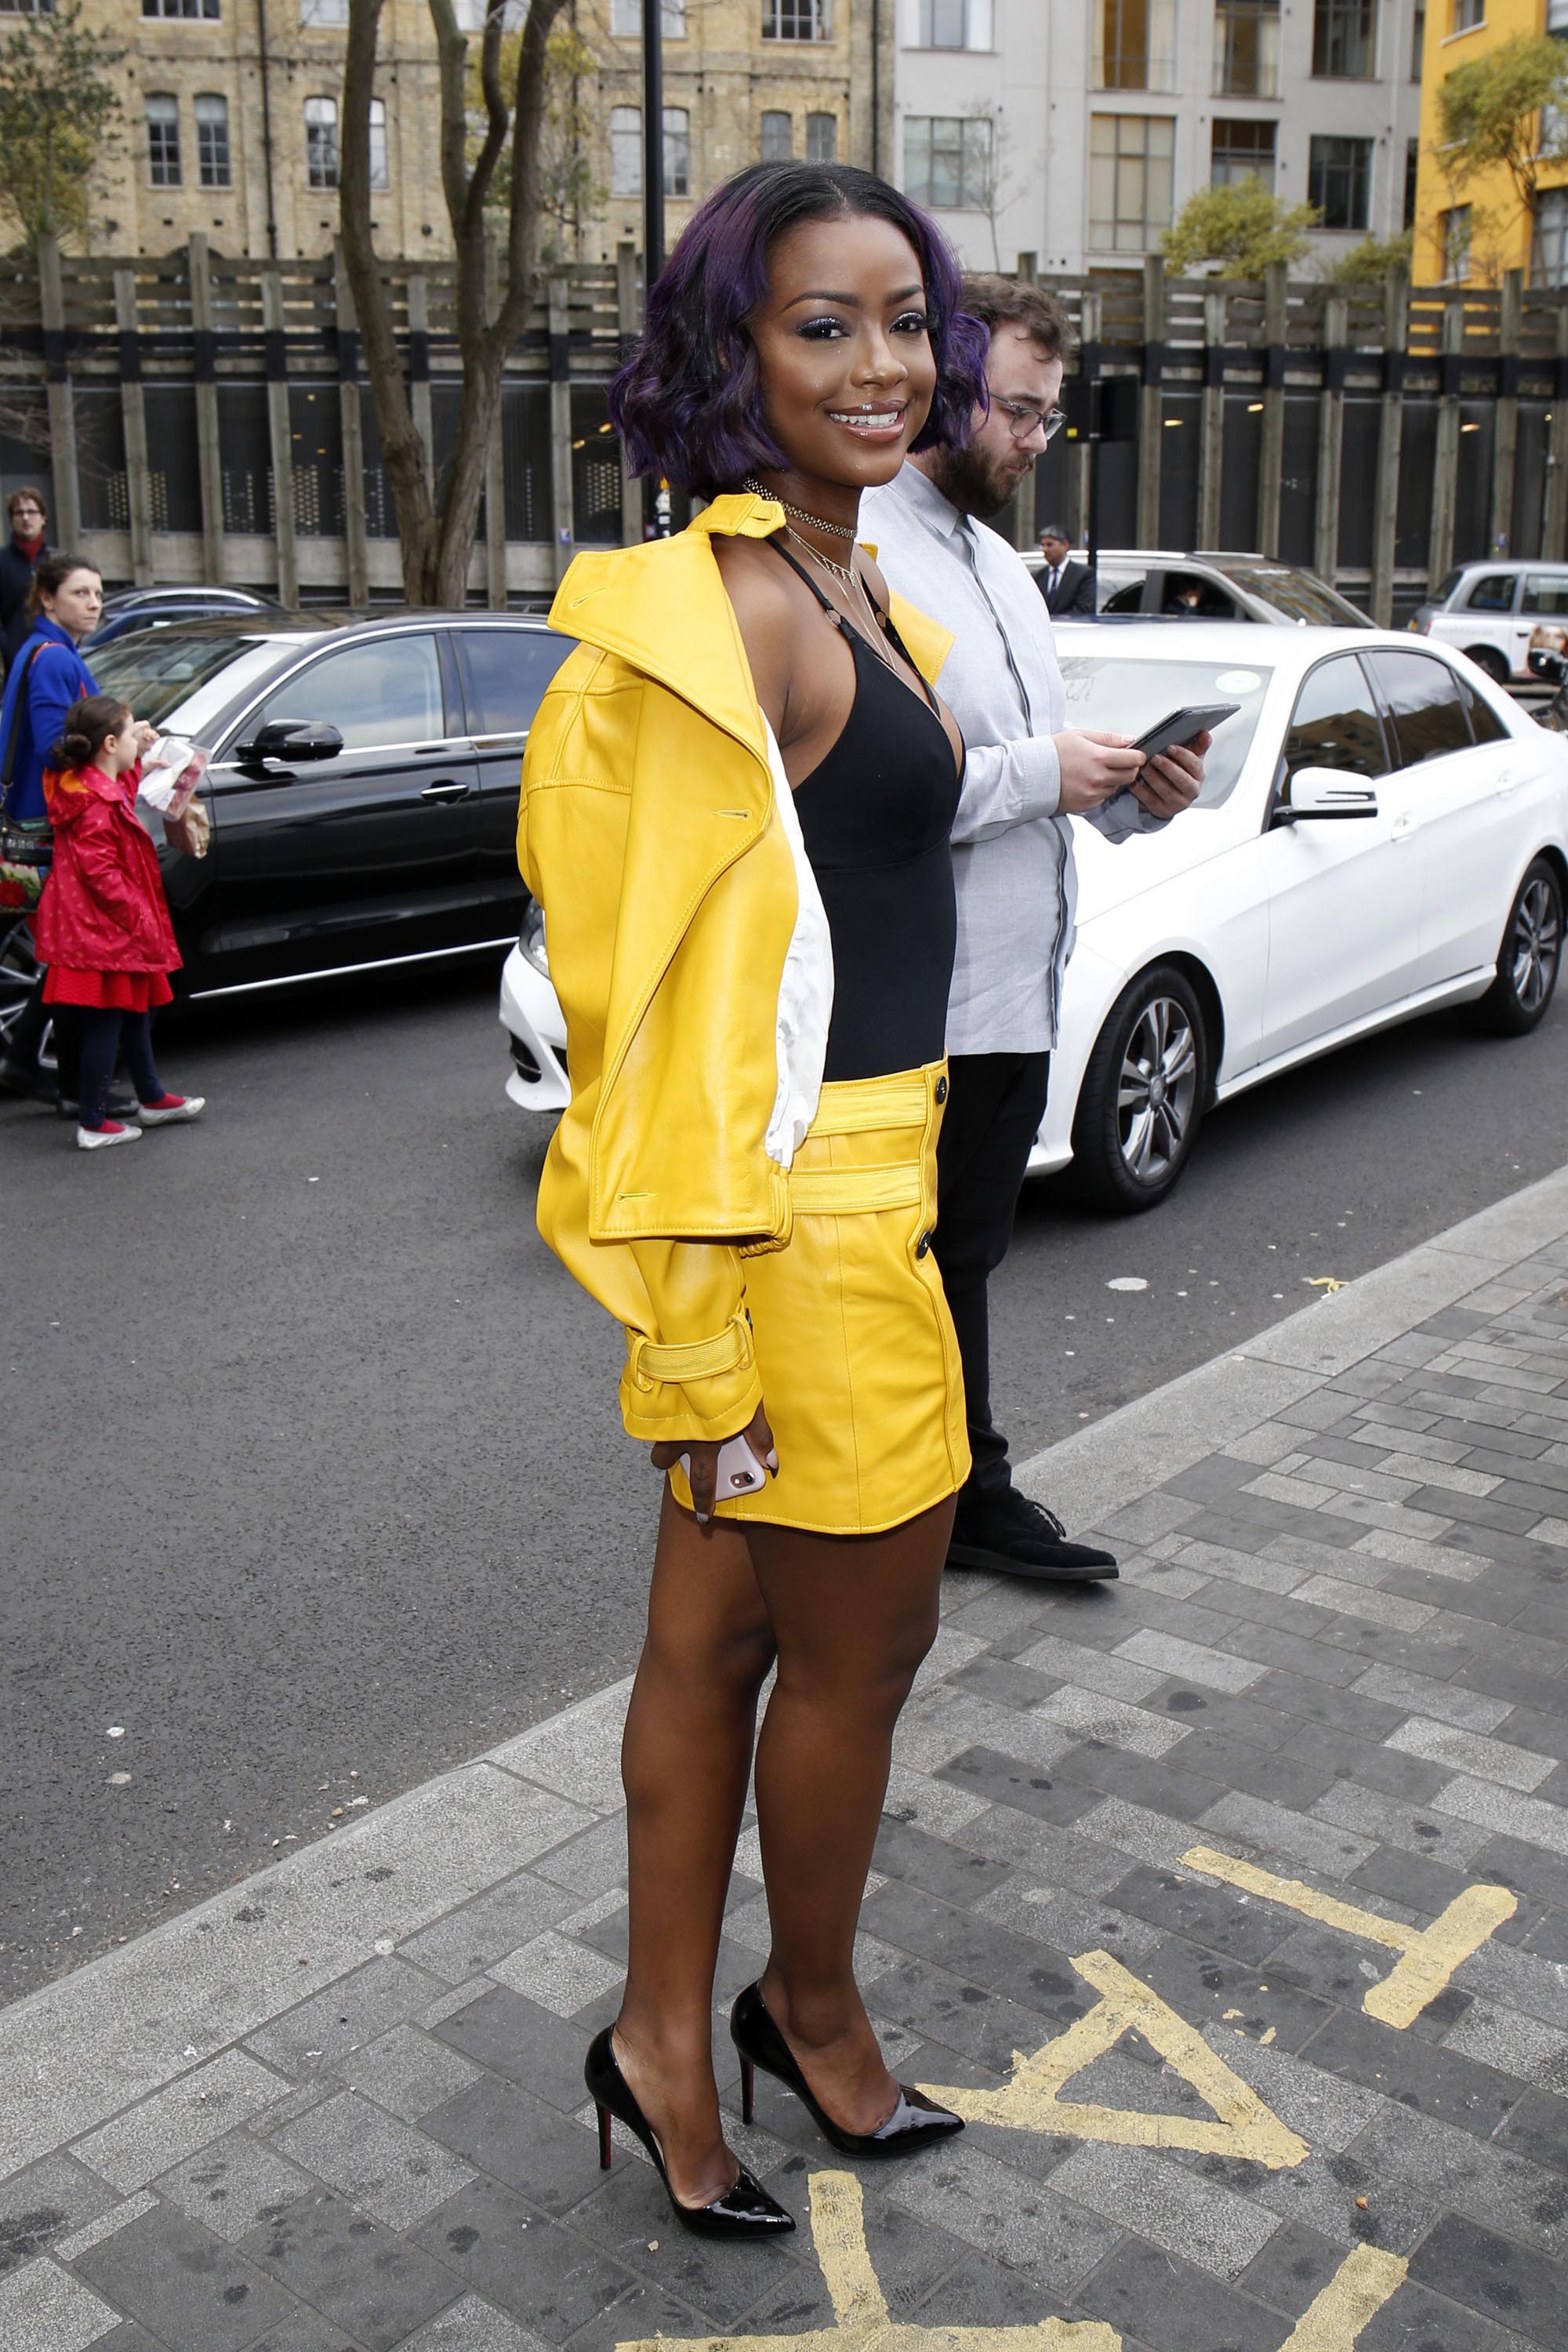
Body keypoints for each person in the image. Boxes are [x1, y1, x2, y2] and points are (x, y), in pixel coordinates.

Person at [518, 161, 986, 2238]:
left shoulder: (834, 574)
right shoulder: (711, 624)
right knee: (854, 1668)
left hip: (845, 1203)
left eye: (907, 317)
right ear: (735, 353)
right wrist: (699, 1346)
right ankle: (805, 2016)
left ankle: (657, 2041)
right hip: (802, 1238)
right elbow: (649, 1019)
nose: (885, 363)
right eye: (826, 326)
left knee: (711, 1660)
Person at [862, 278, 1205, 1584]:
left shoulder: (1001, 564)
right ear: (940, 386)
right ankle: (925, 1509)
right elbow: (864, 793)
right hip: (913, 1007)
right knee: (912, 1267)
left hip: (1014, 990)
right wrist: (1041, 774)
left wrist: (1129, 795)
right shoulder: (859, 550)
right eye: (1017, 410)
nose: (1032, 442)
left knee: (970, 1258)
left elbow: (1022, 773)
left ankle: (960, 1493)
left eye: (1050, 419)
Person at [34, 693, 203, 1150]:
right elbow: (102, 875)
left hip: (95, 927)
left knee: (131, 1012)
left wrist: (143, 752)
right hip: (105, 930)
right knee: (109, 1021)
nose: (138, 741)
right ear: (109, 743)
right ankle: (92, 1121)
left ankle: (151, 1097)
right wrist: (139, 915)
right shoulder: (96, 803)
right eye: (131, 734)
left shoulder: (85, 784)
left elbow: (121, 779)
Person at [0, 554, 109, 1109]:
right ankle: (73, 1086)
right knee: (73, 955)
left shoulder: (46, 651)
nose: (93, 603)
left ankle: (26, 1064)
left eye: (97, 593)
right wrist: (116, 742)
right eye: (79, 593)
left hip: (38, 825)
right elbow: (53, 746)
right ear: (46, 598)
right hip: (50, 831)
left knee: (63, 956)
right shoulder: (52, 659)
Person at [0, 488, 51, 673]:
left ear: (43, 518)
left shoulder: (56, 560)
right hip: (16, 658)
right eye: (19, 513)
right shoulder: (2, 561)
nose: (26, 518)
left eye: (31, 512)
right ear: (12, 520)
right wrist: (8, 648)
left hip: (52, 652)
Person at [1036, 523, 1095, 618]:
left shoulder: (1083, 575)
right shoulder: (1038, 576)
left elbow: (1084, 609)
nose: (1045, 549)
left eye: (1049, 545)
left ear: (1065, 545)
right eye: (1043, 545)